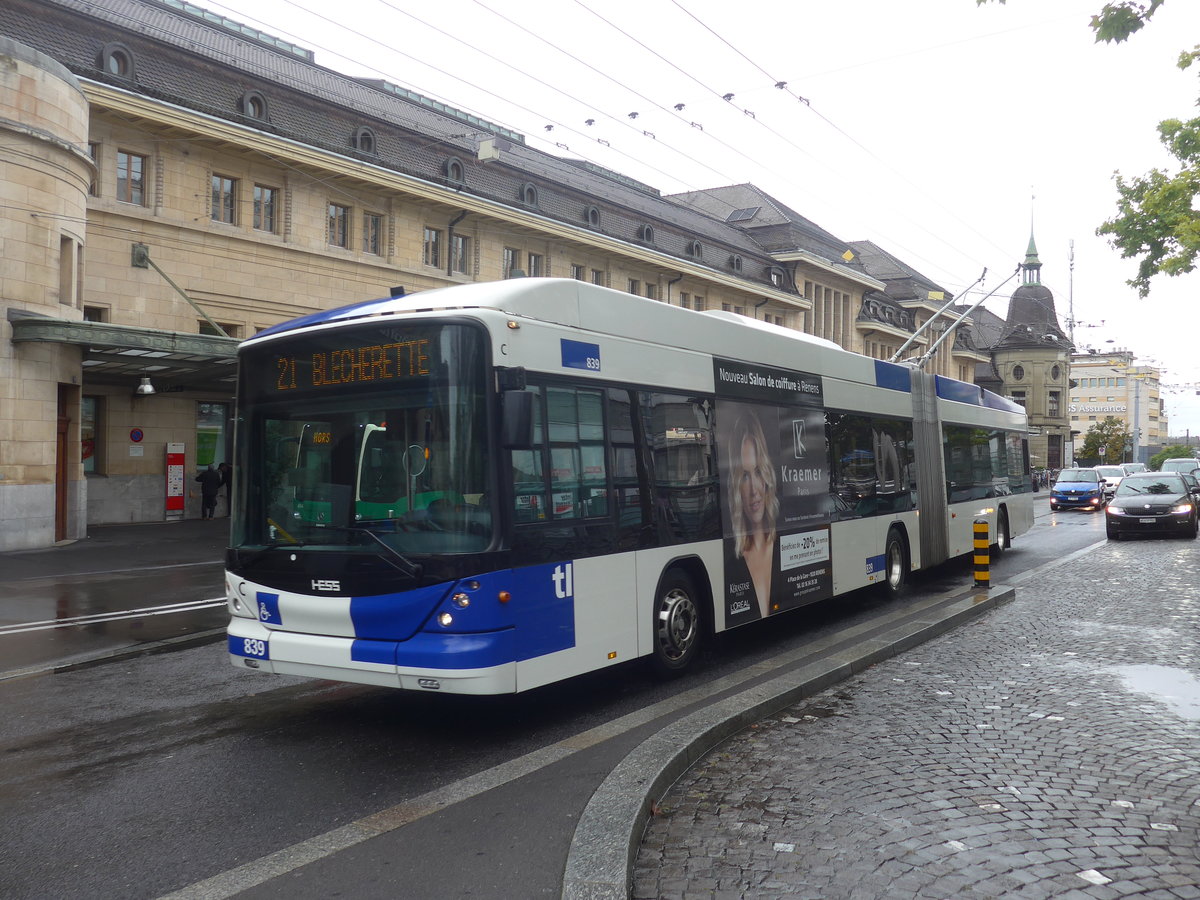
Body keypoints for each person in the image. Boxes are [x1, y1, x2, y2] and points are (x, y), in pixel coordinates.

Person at [727, 411, 779, 618]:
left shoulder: (784, 542)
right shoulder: (732, 561)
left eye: (758, 472)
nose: (754, 491)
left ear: (766, 476)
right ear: (735, 485)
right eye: (745, 476)